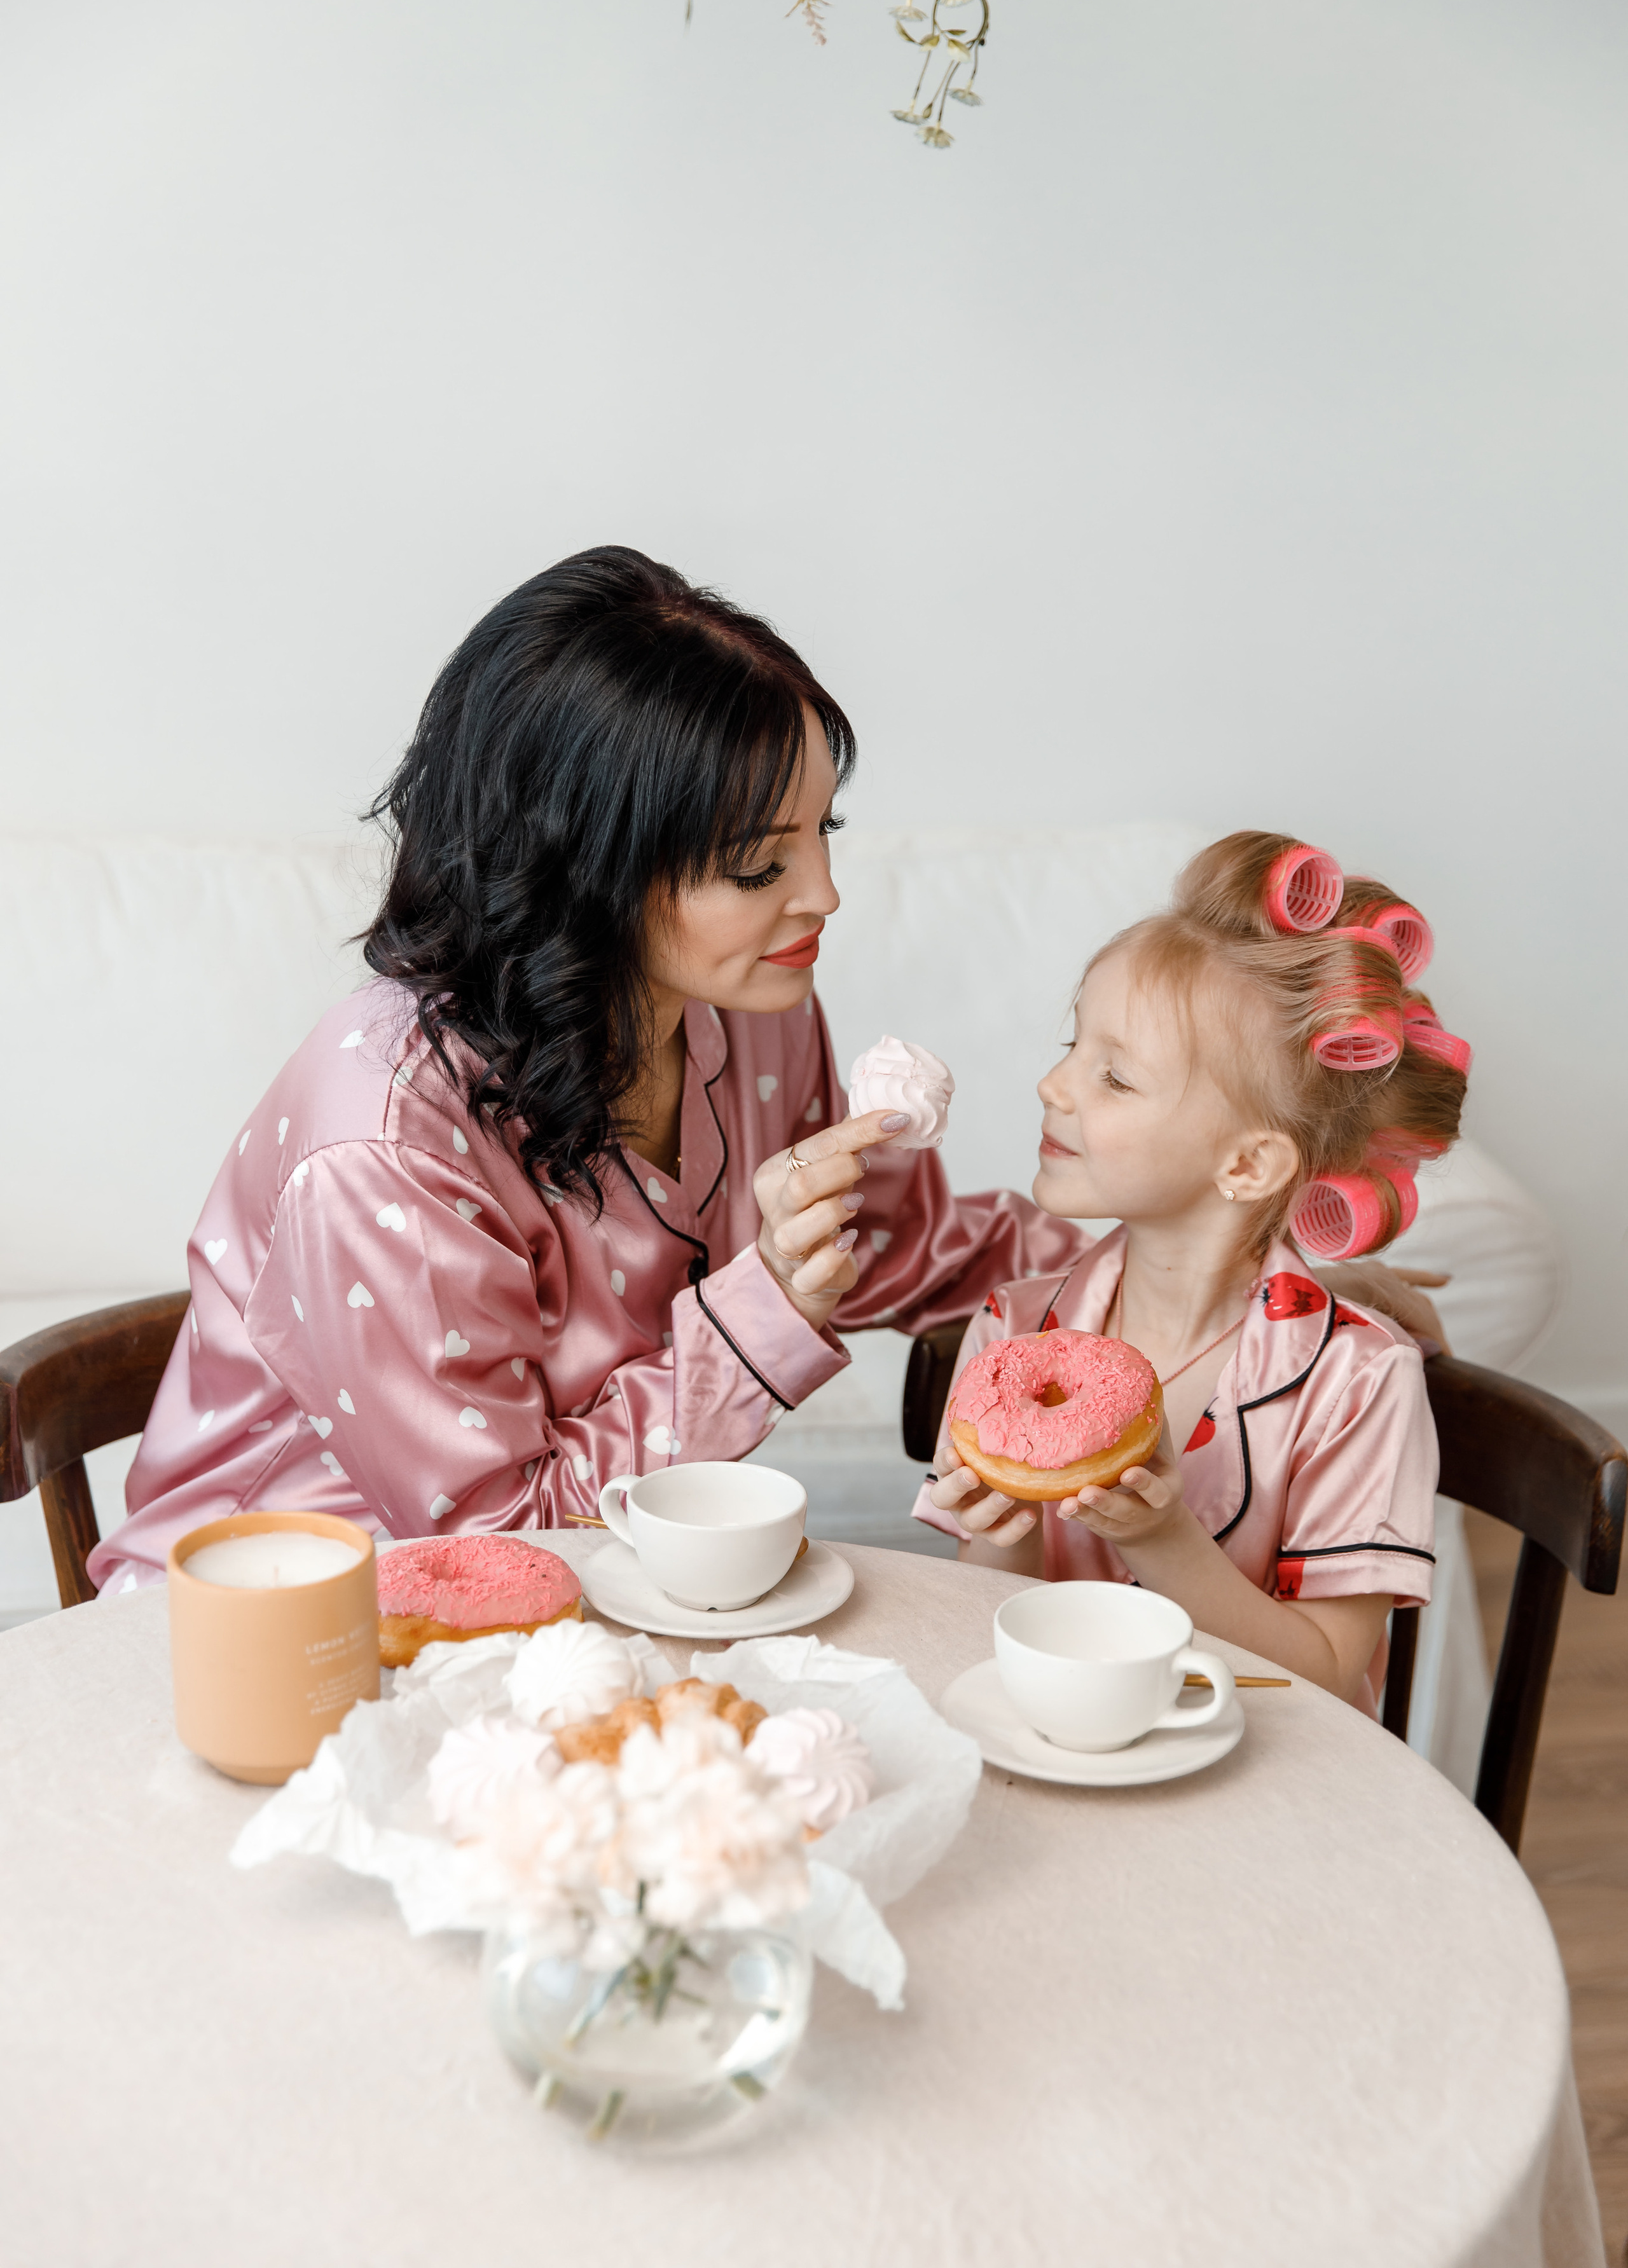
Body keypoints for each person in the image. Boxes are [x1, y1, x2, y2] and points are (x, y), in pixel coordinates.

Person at [88, 547, 1086, 1590]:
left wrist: (1159, 1256)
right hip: (290, 1629)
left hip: (597, 1602)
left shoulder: (755, 1010)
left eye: (821, 832)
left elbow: (890, 1243)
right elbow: (500, 1539)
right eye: (759, 864)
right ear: (586, 872)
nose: (824, 896)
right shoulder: (382, 1141)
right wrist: (771, 1309)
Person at [917, 830, 1470, 1714]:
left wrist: (1165, 1537)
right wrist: (1003, 1537)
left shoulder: (1358, 1382)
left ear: (1248, 1165)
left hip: (1272, 1788)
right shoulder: (1012, 1332)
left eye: (1115, 1078)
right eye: (1072, 1046)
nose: (1054, 1086)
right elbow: (996, 1624)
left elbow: (1327, 1676)